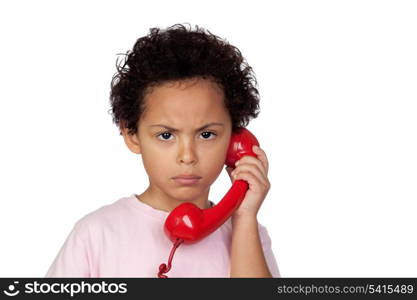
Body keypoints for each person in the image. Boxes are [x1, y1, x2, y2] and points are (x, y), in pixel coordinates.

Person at [45, 23, 280, 278]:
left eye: (206, 134)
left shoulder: (249, 236)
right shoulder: (96, 234)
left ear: (234, 140)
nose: (188, 156)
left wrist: (244, 217)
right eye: (166, 135)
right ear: (132, 134)